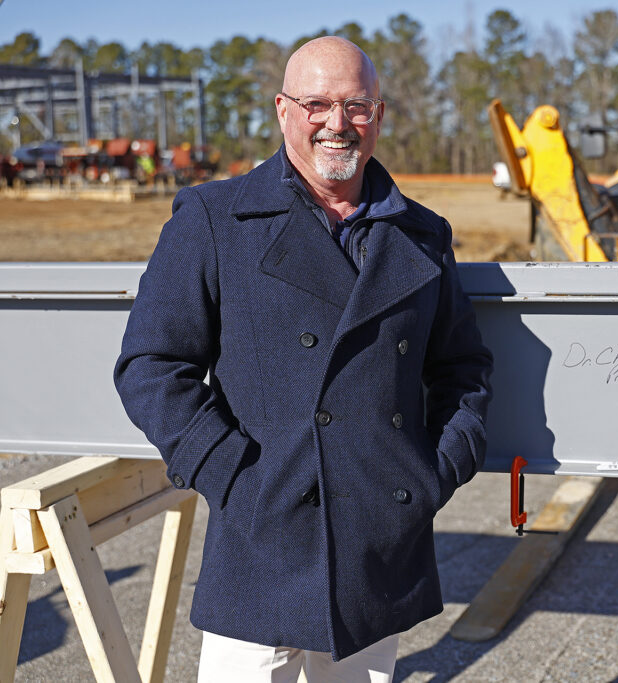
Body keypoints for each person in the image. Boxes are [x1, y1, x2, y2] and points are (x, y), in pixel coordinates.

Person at [114, 37, 493, 682]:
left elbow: (462, 371)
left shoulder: (422, 235)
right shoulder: (215, 218)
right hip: (263, 534)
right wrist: (229, 473)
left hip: (379, 541)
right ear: (285, 112)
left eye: (357, 105)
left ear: (380, 115)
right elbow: (151, 366)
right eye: (318, 104)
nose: (337, 124)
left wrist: (434, 472)